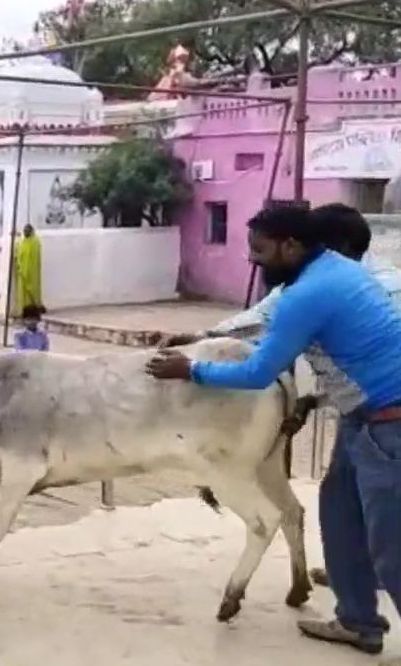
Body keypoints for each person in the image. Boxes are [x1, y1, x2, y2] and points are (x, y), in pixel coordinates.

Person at [146, 204, 401, 660]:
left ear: (291, 246)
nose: (253, 260)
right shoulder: (329, 270)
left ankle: (362, 616)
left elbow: (259, 372)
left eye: (260, 250)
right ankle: (358, 621)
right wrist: (203, 336)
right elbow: (269, 330)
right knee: (340, 516)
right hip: (359, 417)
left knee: (390, 547)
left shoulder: (310, 293)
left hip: (388, 422)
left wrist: (192, 368)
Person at [13, 224, 43, 317]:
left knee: (33, 291)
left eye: (27, 231)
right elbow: (18, 254)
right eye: (24, 231)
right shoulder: (22, 242)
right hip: (22, 273)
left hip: (32, 272)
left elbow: (35, 257)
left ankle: (34, 310)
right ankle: (23, 311)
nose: (26, 232)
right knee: (23, 294)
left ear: (31, 231)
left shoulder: (35, 241)